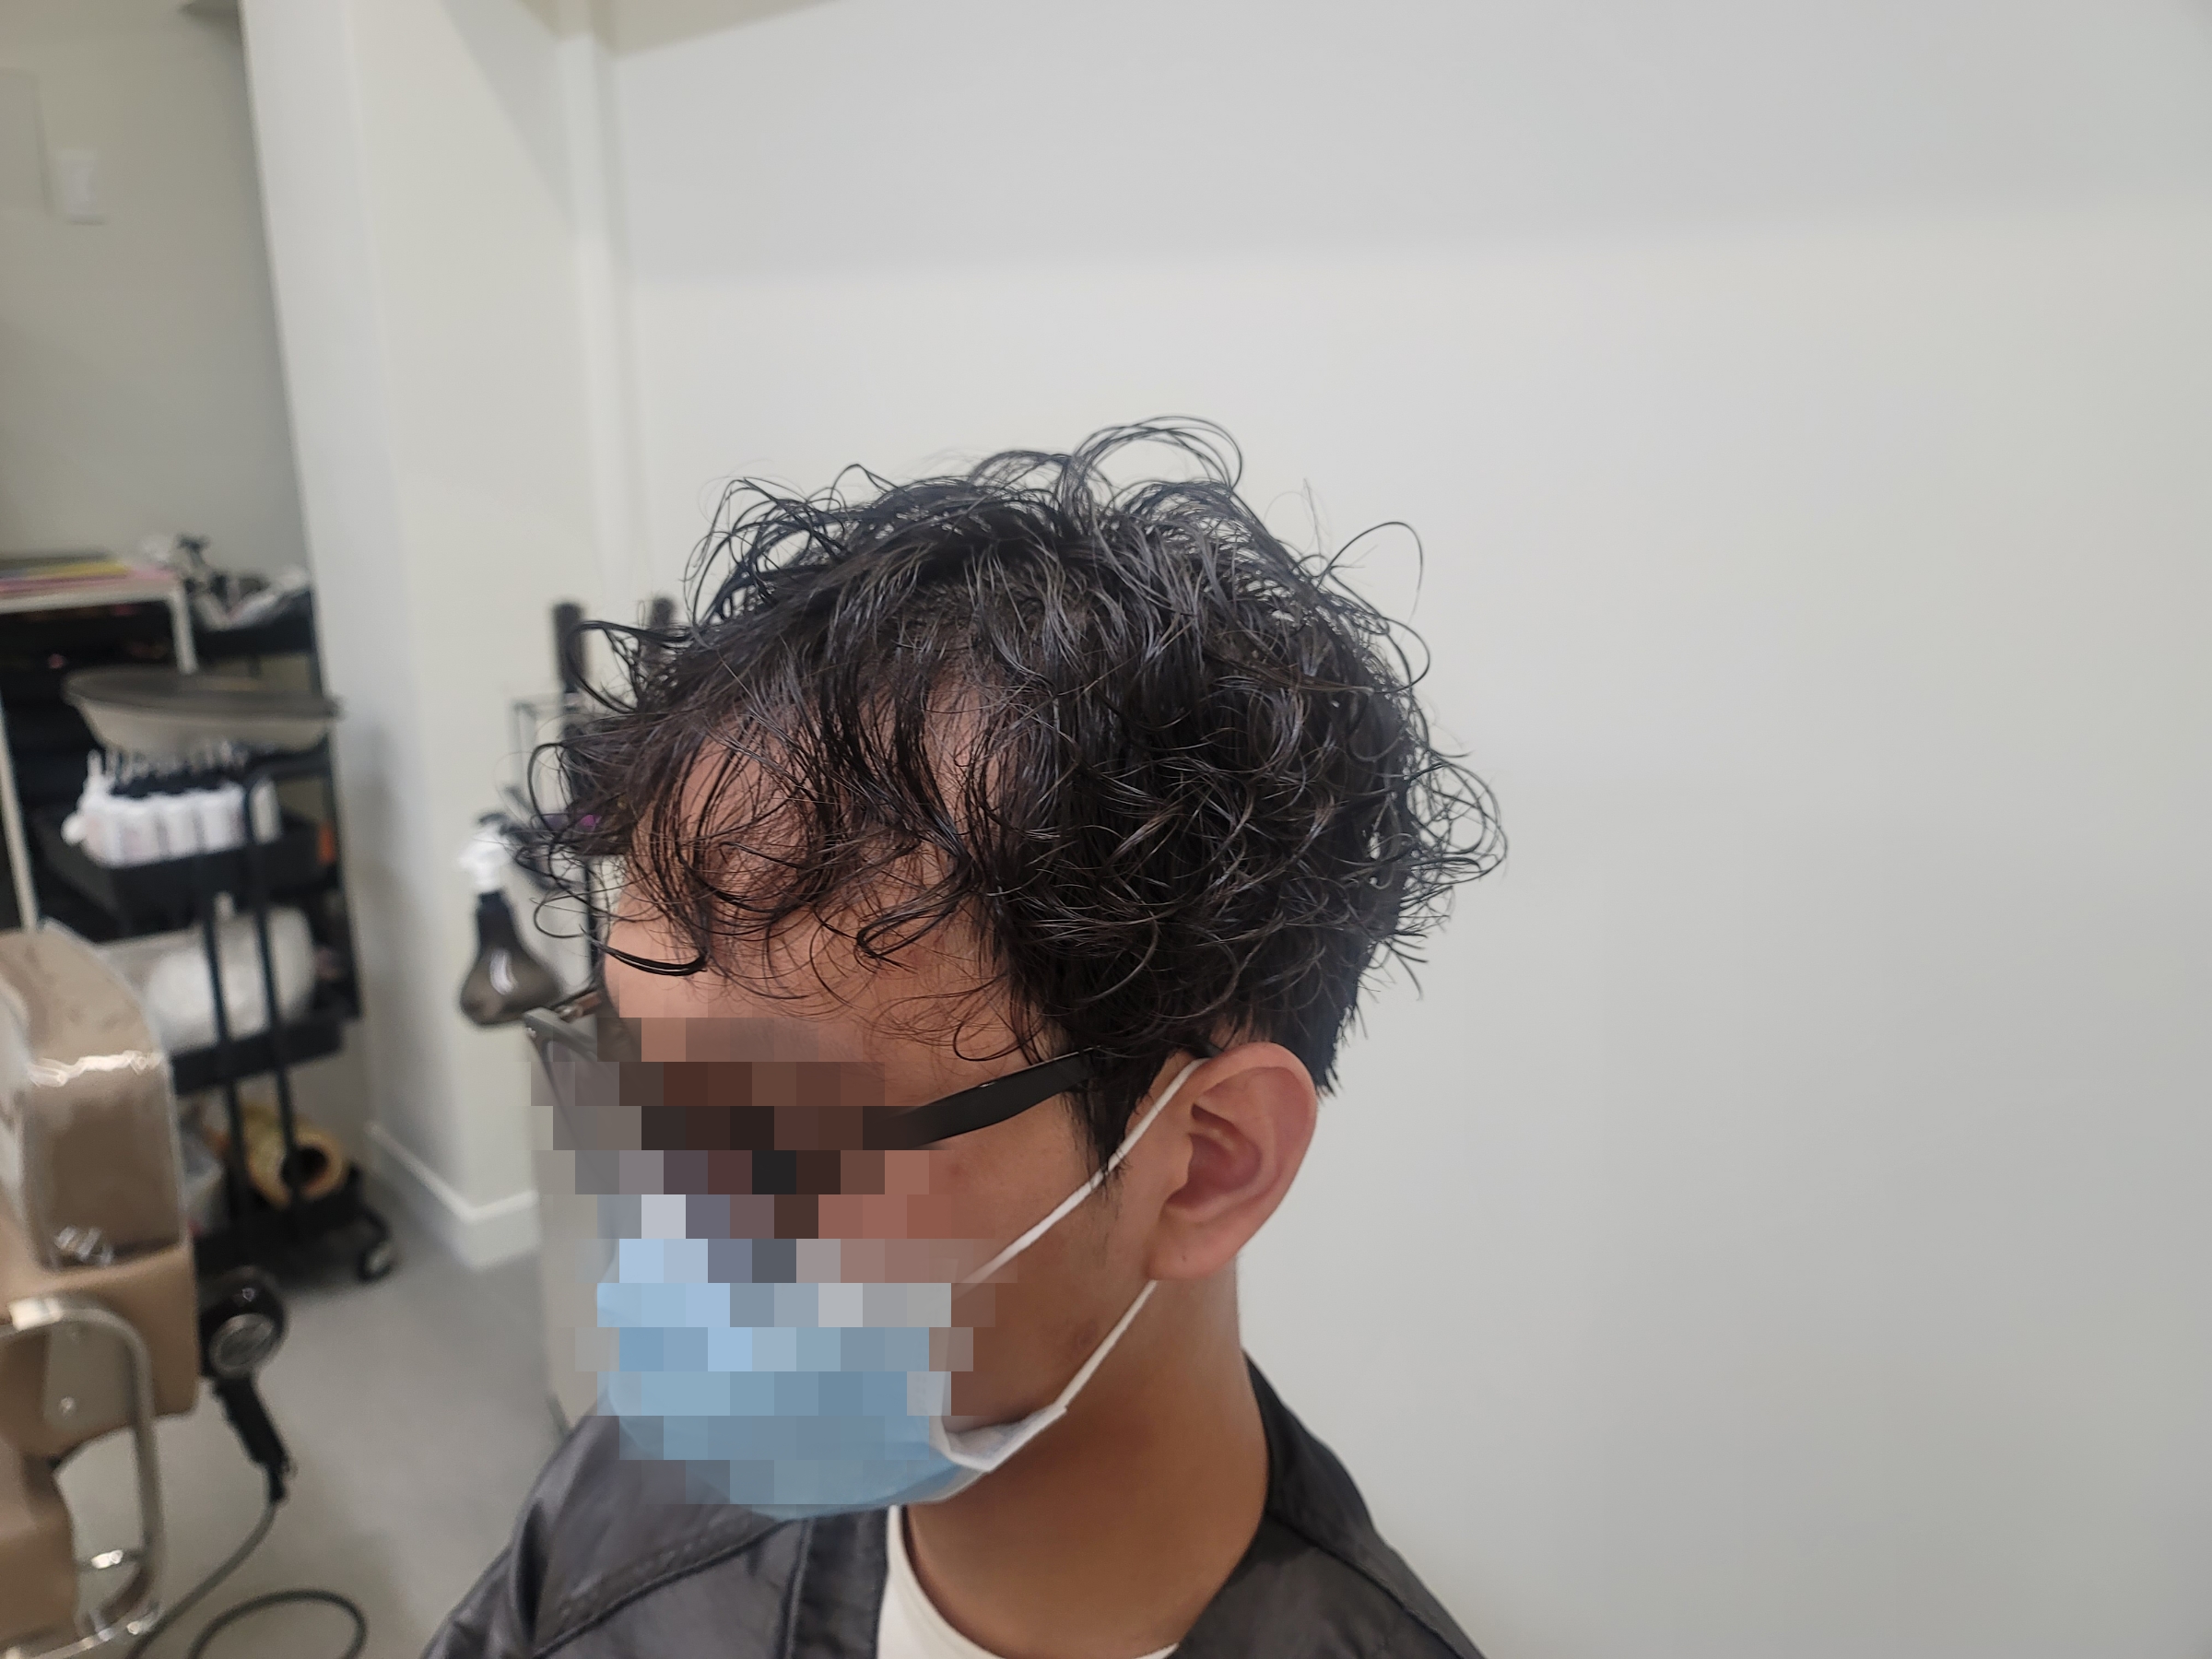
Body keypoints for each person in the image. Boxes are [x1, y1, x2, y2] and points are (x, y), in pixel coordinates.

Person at [426, 422, 1502, 1659]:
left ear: (1207, 1162)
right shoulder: (621, 1505)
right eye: (631, 1080)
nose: (660, 1226)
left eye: (770, 1137)